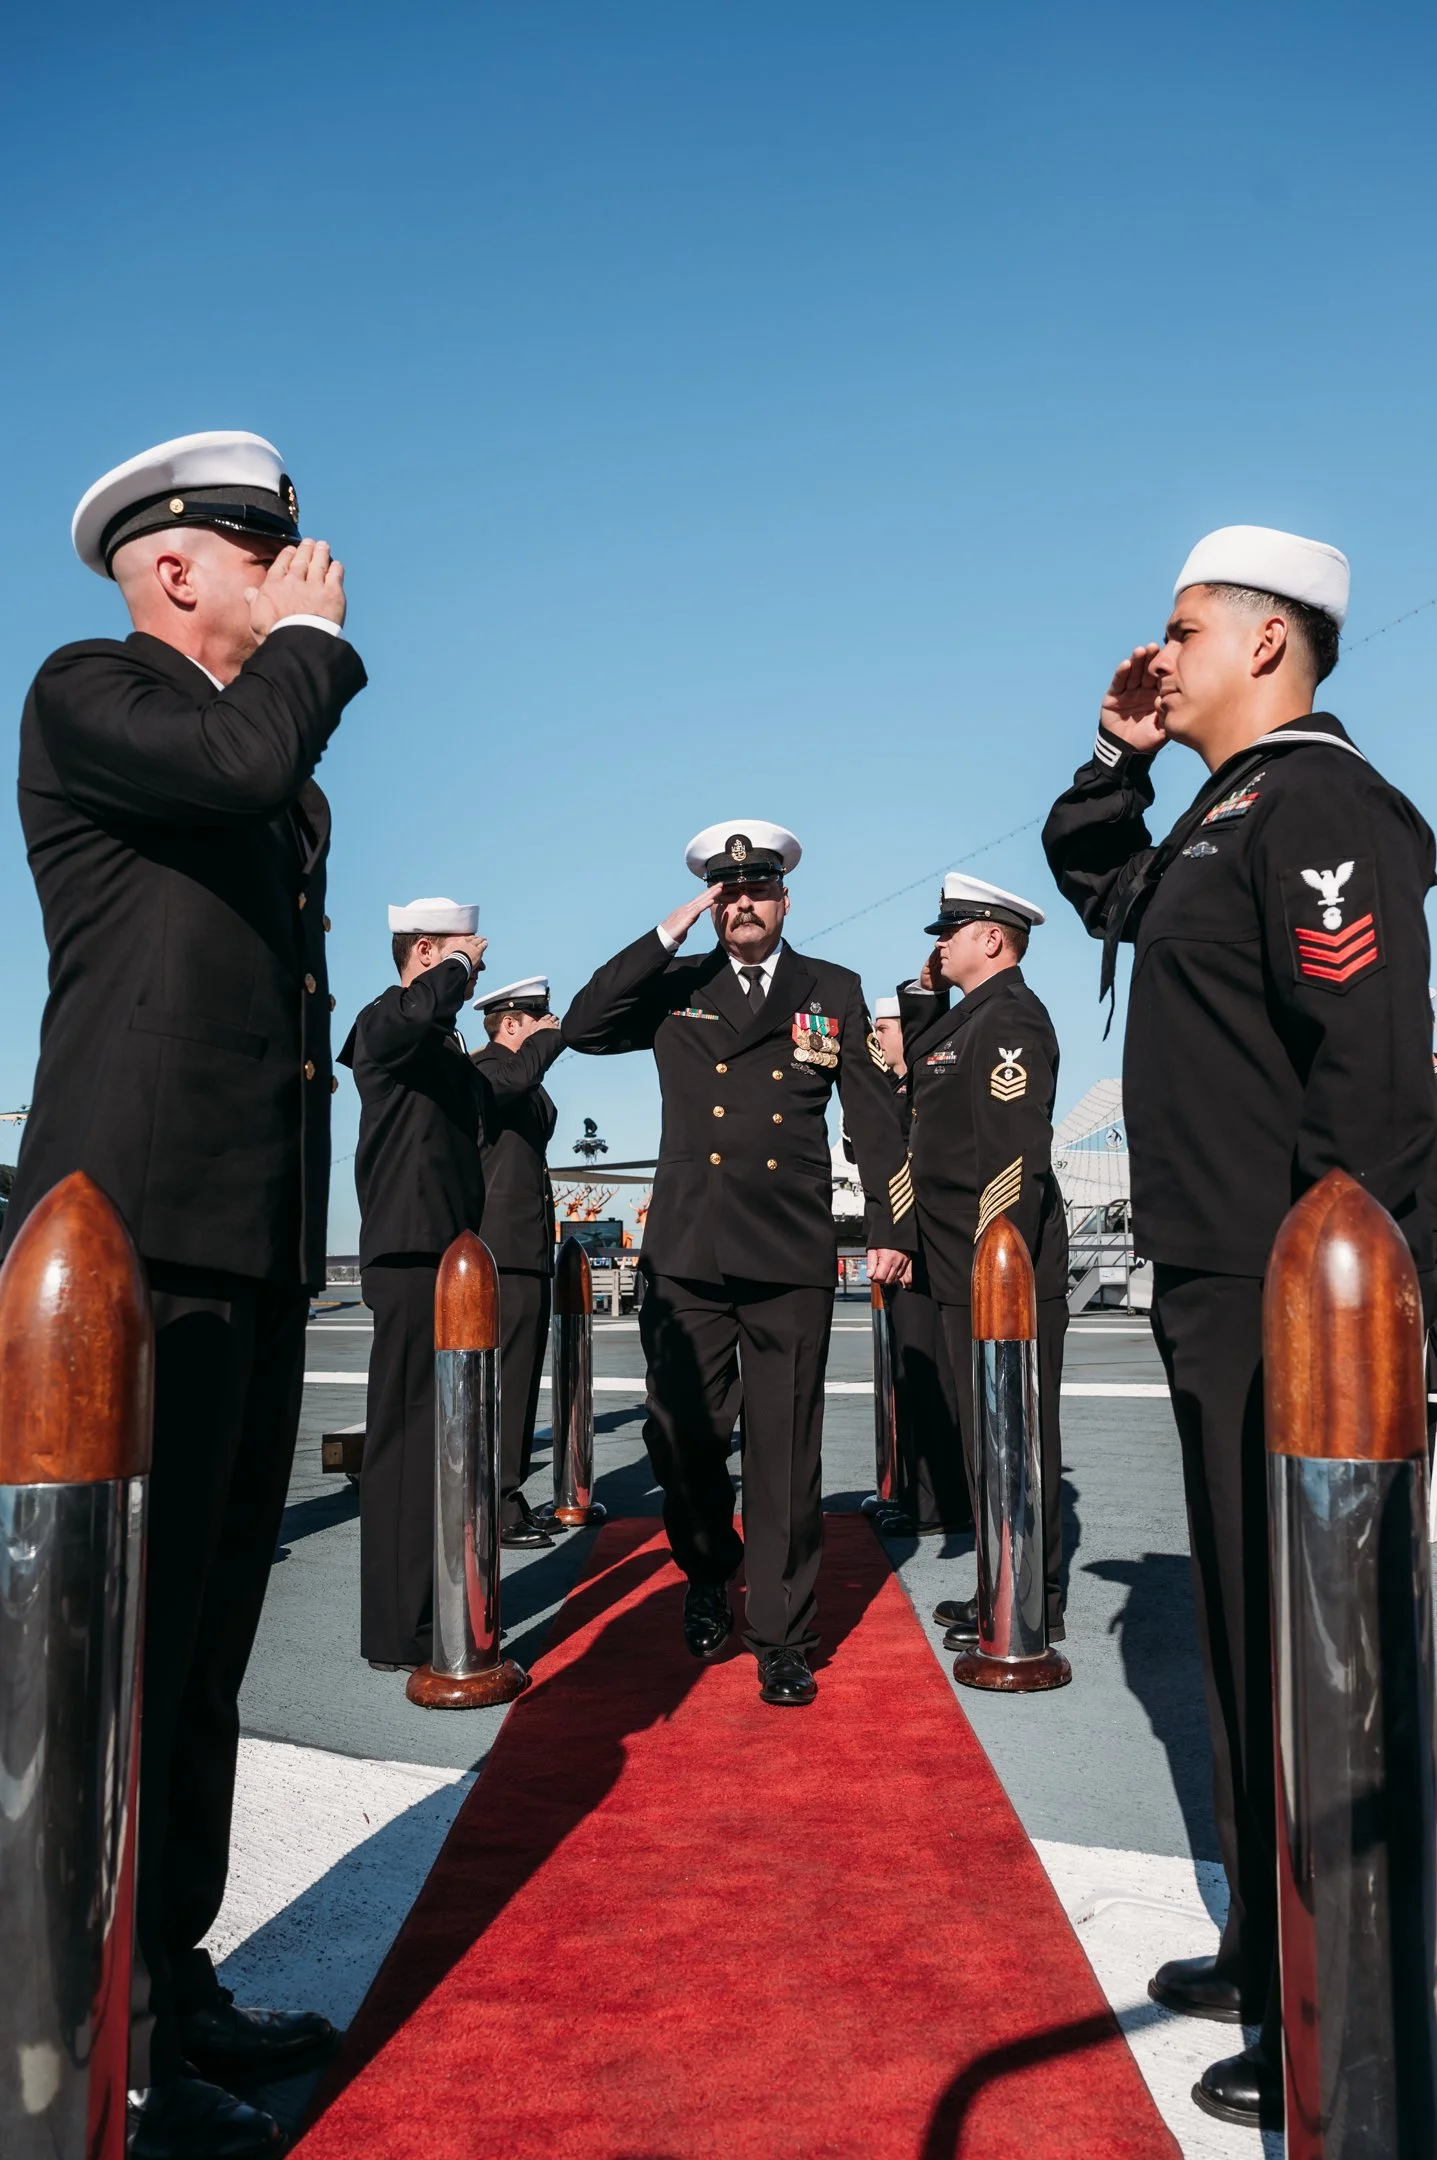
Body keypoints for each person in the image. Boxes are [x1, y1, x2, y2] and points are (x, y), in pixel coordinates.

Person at [1043, 524, 1437, 2132]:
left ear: (1267, 643)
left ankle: (1332, 2003)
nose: (1164, 651)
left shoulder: (1322, 803)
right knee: (1249, 1645)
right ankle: (1264, 1932)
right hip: (1220, 1292)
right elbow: (1096, 882)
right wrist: (1109, 750)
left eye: (1184, 631)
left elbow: (1371, 1087)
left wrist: (1357, 1316)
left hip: (1299, 1307)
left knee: (1317, 1653)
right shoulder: (1216, 811)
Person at [4, 431, 366, 2158]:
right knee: (121, 1650)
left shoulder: (270, 763)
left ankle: (178, 1969)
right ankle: (106, 2028)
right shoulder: (93, 691)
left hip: (253, 1236)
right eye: (261, 554)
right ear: (171, 568)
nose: (299, 578)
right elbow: (232, 768)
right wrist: (312, 652)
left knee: (208, 1642)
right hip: (125, 1245)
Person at [562, 821, 916, 1706]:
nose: (742, 902)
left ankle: (783, 1634)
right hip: (688, 1252)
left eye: (756, 889)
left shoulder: (829, 989)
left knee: (784, 1452)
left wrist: (891, 1226)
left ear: (785, 900)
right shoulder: (675, 985)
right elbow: (580, 1024)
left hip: (787, 1250)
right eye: (726, 892)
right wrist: (666, 932)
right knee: (681, 1440)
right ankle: (709, 1574)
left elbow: (874, 1115)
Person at [898, 875, 1068, 1646]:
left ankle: (1029, 1597)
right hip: (957, 1265)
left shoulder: (1009, 1021)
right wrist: (925, 996)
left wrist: (994, 1257)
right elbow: (921, 1088)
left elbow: (1012, 1156)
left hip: (992, 1269)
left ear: (990, 938)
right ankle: (1000, 1583)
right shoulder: (969, 1018)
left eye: (950, 932)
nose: (938, 945)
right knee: (982, 1435)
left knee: (1012, 1433)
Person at [339, 899, 489, 1669]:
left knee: (438, 1443)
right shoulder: (384, 1020)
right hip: (408, 1254)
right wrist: (457, 968)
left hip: (445, 1254)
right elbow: (410, 1016)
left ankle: (431, 1607)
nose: (480, 958)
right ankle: (398, 1628)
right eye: (465, 949)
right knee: (402, 1442)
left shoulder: (435, 1035)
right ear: (425, 949)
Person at [863, 994, 969, 1538]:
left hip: (926, 1247)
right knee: (908, 1372)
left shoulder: (926, 1087)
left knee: (933, 1377)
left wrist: (899, 1236)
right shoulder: (892, 1090)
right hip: (907, 1243)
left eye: (885, 1029)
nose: (877, 1039)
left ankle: (940, 1502)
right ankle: (911, 1489)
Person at [470, 976, 567, 1544]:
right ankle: (494, 1502)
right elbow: (516, 1077)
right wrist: (548, 1043)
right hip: (500, 1249)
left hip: (525, 1249)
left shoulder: (518, 1081)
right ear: (512, 1023)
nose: (550, 1029)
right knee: (503, 1381)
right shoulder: (486, 1069)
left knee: (522, 1380)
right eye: (540, 1021)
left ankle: (506, 1492)